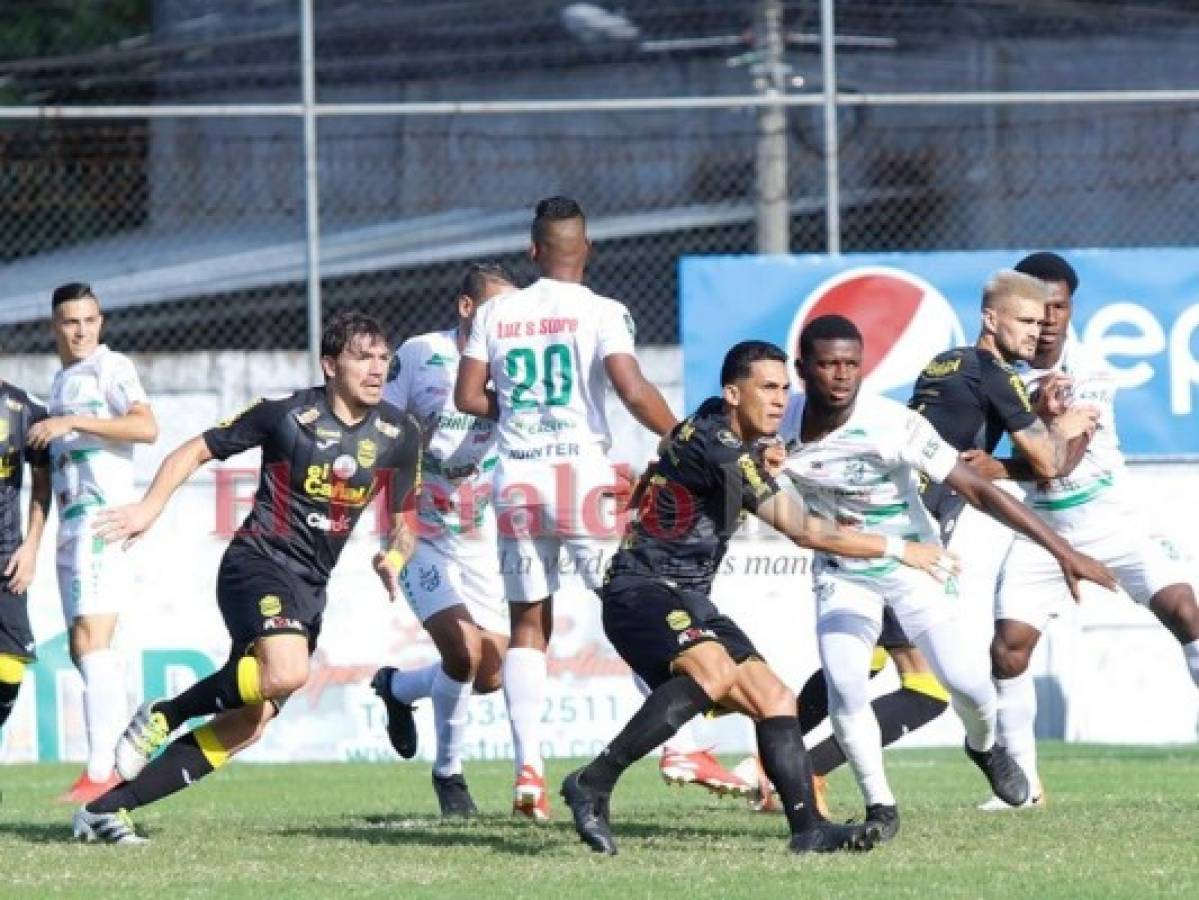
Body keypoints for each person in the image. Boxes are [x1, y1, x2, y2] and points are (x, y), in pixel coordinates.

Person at [559, 340, 961, 857]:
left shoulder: (711, 422)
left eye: (783, 389)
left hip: (689, 596)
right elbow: (805, 532)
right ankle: (593, 782)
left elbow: (668, 452)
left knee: (775, 699)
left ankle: (808, 829)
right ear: (733, 393)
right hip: (640, 589)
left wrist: (660, 483)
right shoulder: (723, 447)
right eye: (767, 388)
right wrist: (900, 548)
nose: (779, 401)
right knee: (712, 674)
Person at [71, 311, 421, 844]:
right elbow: (192, 450)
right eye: (362, 357)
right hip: (257, 563)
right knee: (286, 672)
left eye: (382, 357)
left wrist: (393, 558)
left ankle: (104, 811)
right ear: (330, 365)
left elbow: (405, 522)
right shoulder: (285, 415)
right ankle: (166, 713)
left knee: (248, 722)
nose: (377, 369)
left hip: (310, 587)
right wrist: (147, 509)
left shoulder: (400, 433)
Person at [774, 314, 1115, 842]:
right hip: (843, 572)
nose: (841, 376)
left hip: (917, 565)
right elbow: (711, 438)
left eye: (851, 364)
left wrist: (1063, 550)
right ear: (803, 370)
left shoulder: (893, 423)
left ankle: (982, 747)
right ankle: (880, 808)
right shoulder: (778, 422)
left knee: (968, 686)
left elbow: (978, 489)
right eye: (827, 365)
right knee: (846, 682)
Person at [455, 197, 677, 820]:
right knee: (629, 604)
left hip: (518, 479)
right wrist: (682, 437)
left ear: (532, 253)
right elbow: (632, 389)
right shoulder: (604, 311)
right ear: (587, 251)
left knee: (528, 623)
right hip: (580, 474)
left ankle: (528, 767)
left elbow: (468, 396)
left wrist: (523, 414)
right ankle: (678, 746)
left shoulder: (497, 311)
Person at [965, 251, 1199, 809]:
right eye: (1037, 309)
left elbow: (1061, 460)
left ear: (1073, 308)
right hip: (1044, 530)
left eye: (1060, 307)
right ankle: (1023, 791)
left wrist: (997, 466)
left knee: (1186, 613)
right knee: (1008, 650)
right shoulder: (994, 369)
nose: (1048, 320)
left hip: (1111, 516)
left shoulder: (1089, 370)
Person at [372, 263, 515, 817]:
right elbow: (380, 428)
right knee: (463, 650)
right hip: (419, 529)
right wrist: (416, 441)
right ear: (466, 308)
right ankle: (449, 776)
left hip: (479, 532)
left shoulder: (512, 371)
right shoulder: (420, 354)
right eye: (497, 310)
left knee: (490, 674)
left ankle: (399, 688)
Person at [26, 283, 159, 804]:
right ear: (54, 327)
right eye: (70, 322)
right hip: (72, 527)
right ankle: (113, 761)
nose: (81, 331)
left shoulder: (111, 366)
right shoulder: (61, 381)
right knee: (85, 643)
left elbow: (146, 427)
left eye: (89, 320)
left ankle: (103, 768)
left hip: (101, 524)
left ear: (100, 322)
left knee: (92, 638)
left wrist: (73, 420)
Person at [0, 380, 52, 740]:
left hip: (6, 554)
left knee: (10, 665)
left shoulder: (25, 407)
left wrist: (32, 545)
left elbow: (42, 484)